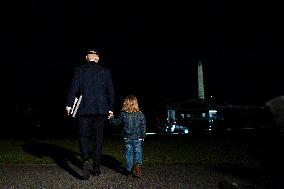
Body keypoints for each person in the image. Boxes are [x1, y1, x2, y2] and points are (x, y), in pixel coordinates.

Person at [65, 49, 115, 180]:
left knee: (83, 136)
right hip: (101, 110)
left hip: (84, 109)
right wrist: (110, 108)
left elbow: (73, 88)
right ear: (97, 59)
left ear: (87, 58)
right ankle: (97, 168)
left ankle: (85, 160)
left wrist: (69, 105)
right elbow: (110, 91)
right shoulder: (105, 71)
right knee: (98, 138)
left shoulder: (80, 69)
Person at [109, 95, 146, 178]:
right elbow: (143, 126)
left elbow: (116, 123)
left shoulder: (123, 114)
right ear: (135, 103)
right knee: (138, 152)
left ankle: (129, 171)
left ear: (125, 104)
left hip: (127, 138)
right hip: (138, 138)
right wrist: (143, 136)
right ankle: (137, 164)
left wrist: (111, 117)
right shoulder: (140, 114)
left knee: (128, 154)